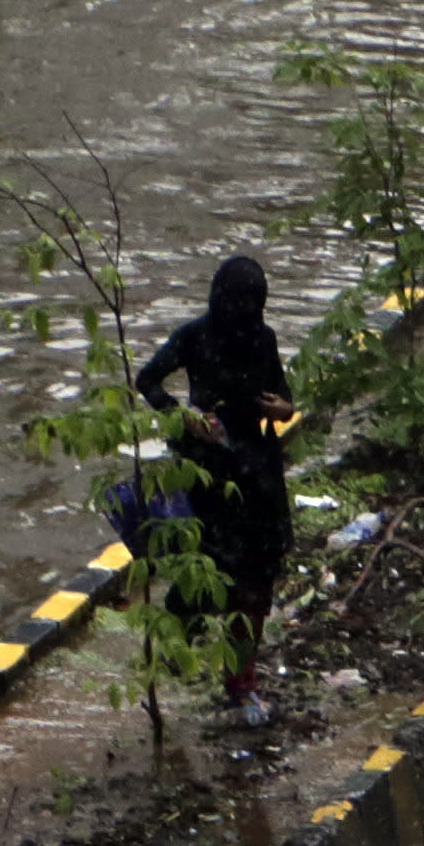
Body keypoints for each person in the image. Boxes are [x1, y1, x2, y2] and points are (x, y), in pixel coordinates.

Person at [135, 254, 298, 728]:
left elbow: (282, 395)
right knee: (204, 569)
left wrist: (283, 409)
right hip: (207, 469)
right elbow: (148, 379)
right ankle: (173, 650)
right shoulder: (193, 336)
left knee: (256, 578)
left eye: (252, 301)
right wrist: (182, 415)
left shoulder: (262, 339)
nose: (243, 309)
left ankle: (239, 680)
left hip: (257, 473)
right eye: (236, 300)